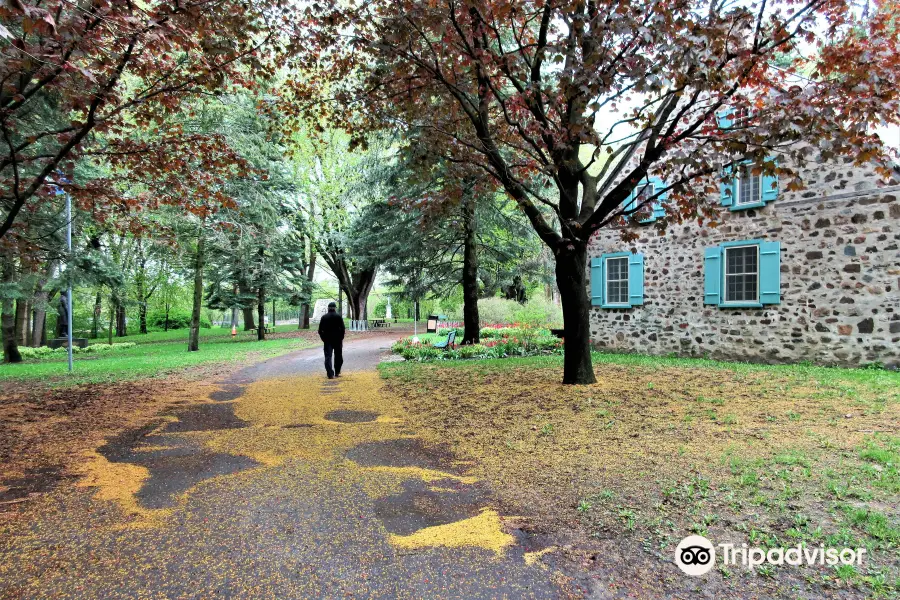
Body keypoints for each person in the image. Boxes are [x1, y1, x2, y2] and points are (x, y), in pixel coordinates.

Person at [317, 301, 345, 379]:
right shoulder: (338, 317)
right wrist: (341, 338)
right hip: (337, 340)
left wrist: (323, 339)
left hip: (327, 340)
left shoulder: (324, 317)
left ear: (328, 309)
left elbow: (320, 330)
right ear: (335, 308)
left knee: (328, 357)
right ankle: (337, 372)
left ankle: (330, 374)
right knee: (338, 356)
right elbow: (343, 329)